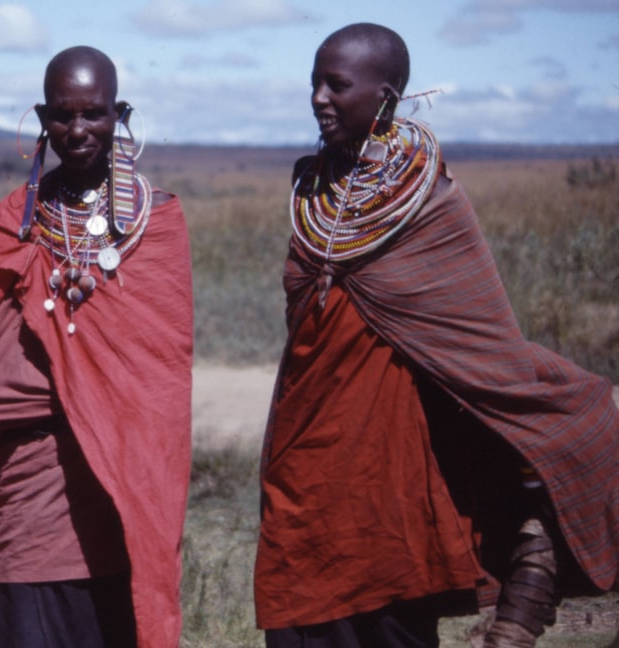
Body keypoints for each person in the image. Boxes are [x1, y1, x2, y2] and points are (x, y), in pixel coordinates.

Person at [254, 23, 618, 648]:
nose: (318, 97)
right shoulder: (310, 187)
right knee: (295, 609)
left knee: (388, 617)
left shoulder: (431, 203)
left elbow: (485, 348)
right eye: (313, 83)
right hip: (302, 455)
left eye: (336, 85)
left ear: (387, 98)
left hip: (391, 470)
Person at [0, 46, 193, 648]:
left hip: (120, 512)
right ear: (42, 117)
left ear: (119, 115)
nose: (77, 131)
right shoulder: (9, 226)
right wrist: (88, 393)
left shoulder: (157, 228)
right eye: (63, 116)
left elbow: (159, 394)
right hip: (31, 520)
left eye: (93, 114)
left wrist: (69, 386)